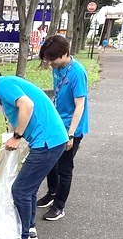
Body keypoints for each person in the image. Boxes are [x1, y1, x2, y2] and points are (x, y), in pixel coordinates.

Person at [0, 65, 68, 239]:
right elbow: (11, 133)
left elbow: (27, 105)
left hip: (47, 143)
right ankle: (29, 229)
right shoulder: (6, 91)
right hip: (52, 141)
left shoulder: (4, 84)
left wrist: (17, 136)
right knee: (28, 189)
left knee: (20, 189)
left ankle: (23, 238)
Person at [38, 35, 89, 220]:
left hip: (72, 128)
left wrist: (71, 134)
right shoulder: (57, 68)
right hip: (57, 124)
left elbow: (80, 106)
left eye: (53, 59)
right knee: (50, 163)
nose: (50, 63)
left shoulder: (77, 72)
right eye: (48, 59)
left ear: (65, 53)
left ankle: (59, 206)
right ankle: (52, 194)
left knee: (64, 168)